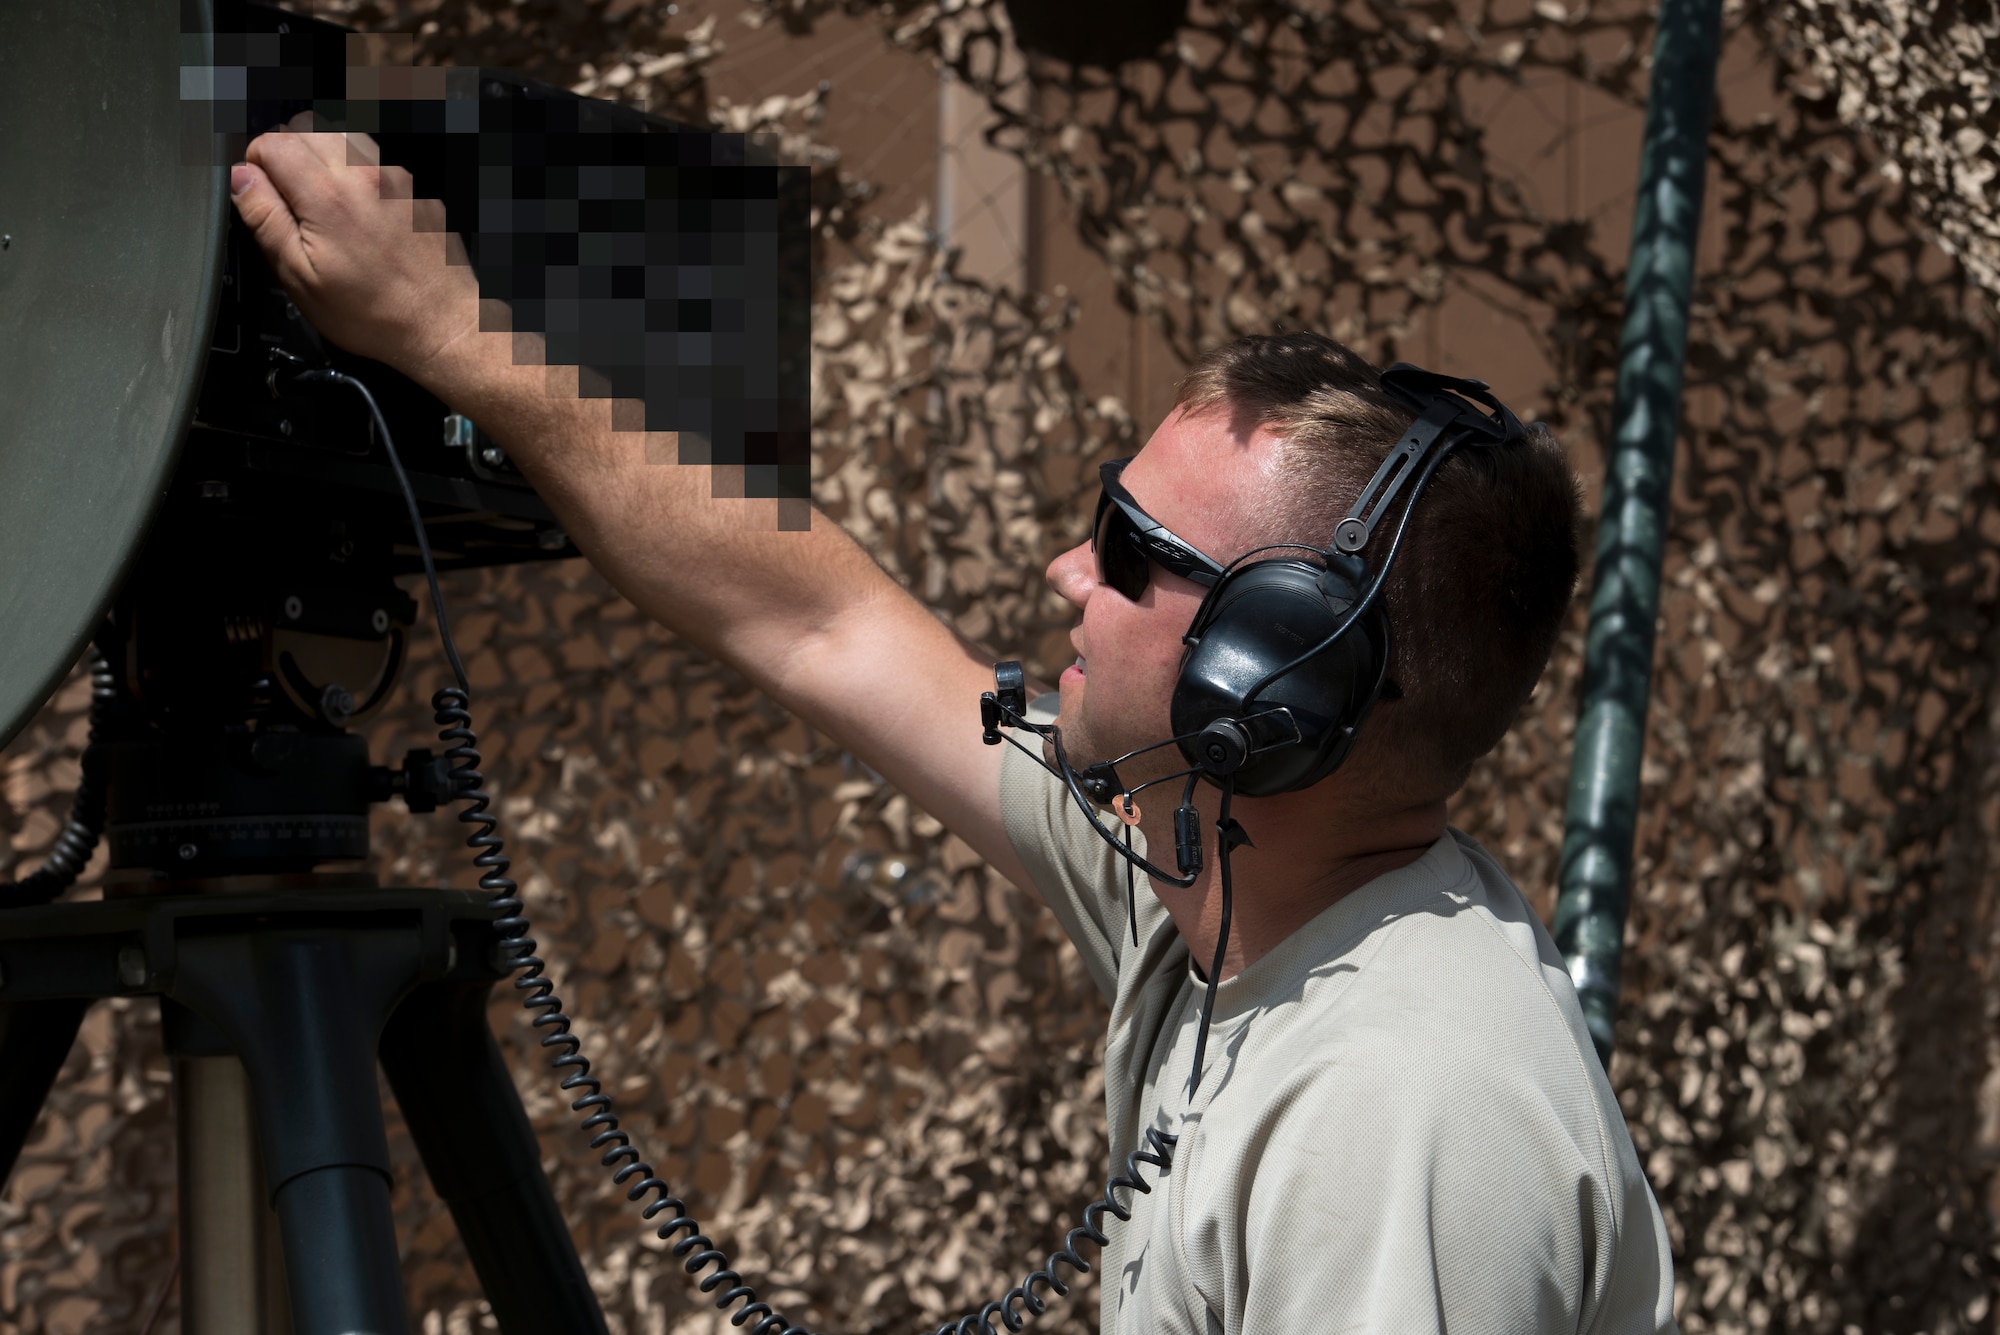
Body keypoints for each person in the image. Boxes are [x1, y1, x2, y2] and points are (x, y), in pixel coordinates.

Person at [228, 125, 1679, 1334]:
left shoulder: (1394, 1117)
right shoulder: (1224, 874)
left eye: (1127, 549)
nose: (1065, 571)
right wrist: (450, 338)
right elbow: (824, 624)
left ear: (1271, 684)